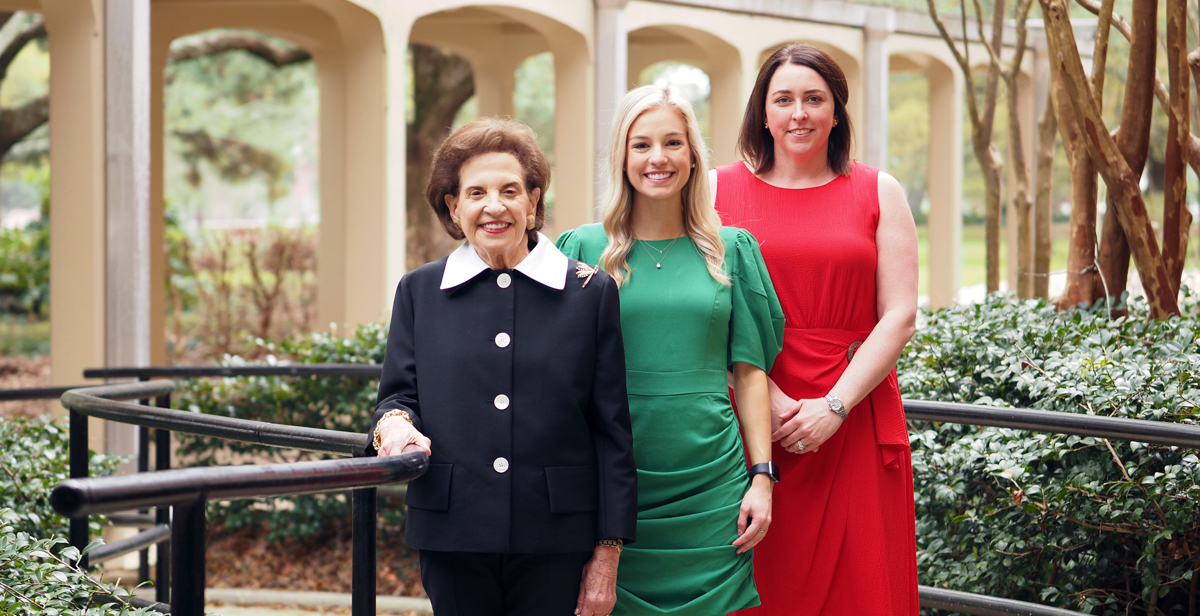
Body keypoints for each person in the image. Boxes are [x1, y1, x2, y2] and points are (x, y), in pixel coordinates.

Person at [369, 117, 638, 616]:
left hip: (557, 535)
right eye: (476, 193)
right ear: (454, 206)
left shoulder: (589, 293)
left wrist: (608, 552)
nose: (494, 206)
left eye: (510, 190)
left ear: (533, 201)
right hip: (452, 530)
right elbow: (397, 395)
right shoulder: (420, 290)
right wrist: (394, 425)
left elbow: (611, 430)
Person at [557, 85, 784, 616]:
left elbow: (750, 374)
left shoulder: (732, 250)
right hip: (611, 479)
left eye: (672, 143)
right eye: (641, 145)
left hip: (710, 481)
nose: (657, 158)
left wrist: (763, 477)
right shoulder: (580, 251)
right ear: (622, 157)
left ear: (693, 156)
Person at [711, 43, 920, 616]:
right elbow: (707, 312)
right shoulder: (713, 191)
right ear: (763, 112)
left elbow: (900, 314)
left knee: (863, 586)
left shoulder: (879, 190)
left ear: (836, 112)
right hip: (750, 418)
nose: (798, 113)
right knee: (758, 579)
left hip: (853, 413)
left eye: (813, 99)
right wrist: (767, 396)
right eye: (783, 99)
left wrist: (834, 405)